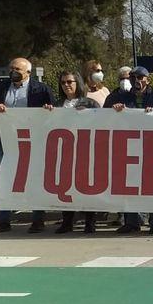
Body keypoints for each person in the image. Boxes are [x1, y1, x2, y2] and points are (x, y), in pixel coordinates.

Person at [0, 58, 54, 234]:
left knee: (34, 179)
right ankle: (3, 219)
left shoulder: (42, 89)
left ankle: (38, 219)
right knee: (5, 179)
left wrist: (48, 109)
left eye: (17, 69)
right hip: (5, 141)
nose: (12, 71)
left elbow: (54, 112)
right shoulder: (1, 87)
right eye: (11, 68)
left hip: (33, 142)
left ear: (28, 73)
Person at [104, 67, 153, 234]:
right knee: (128, 184)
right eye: (133, 77)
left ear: (148, 80)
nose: (136, 80)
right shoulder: (118, 97)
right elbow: (103, 116)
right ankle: (131, 221)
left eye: (141, 77)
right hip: (127, 147)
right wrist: (115, 110)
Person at [43, 71, 100, 234]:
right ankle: (67, 221)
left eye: (70, 81)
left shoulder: (90, 103)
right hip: (63, 151)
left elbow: (102, 123)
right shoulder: (57, 104)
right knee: (65, 187)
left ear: (78, 83)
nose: (66, 85)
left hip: (85, 151)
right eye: (63, 83)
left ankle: (90, 222)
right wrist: (47, 113)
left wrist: (89, 114)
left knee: (86, 188)